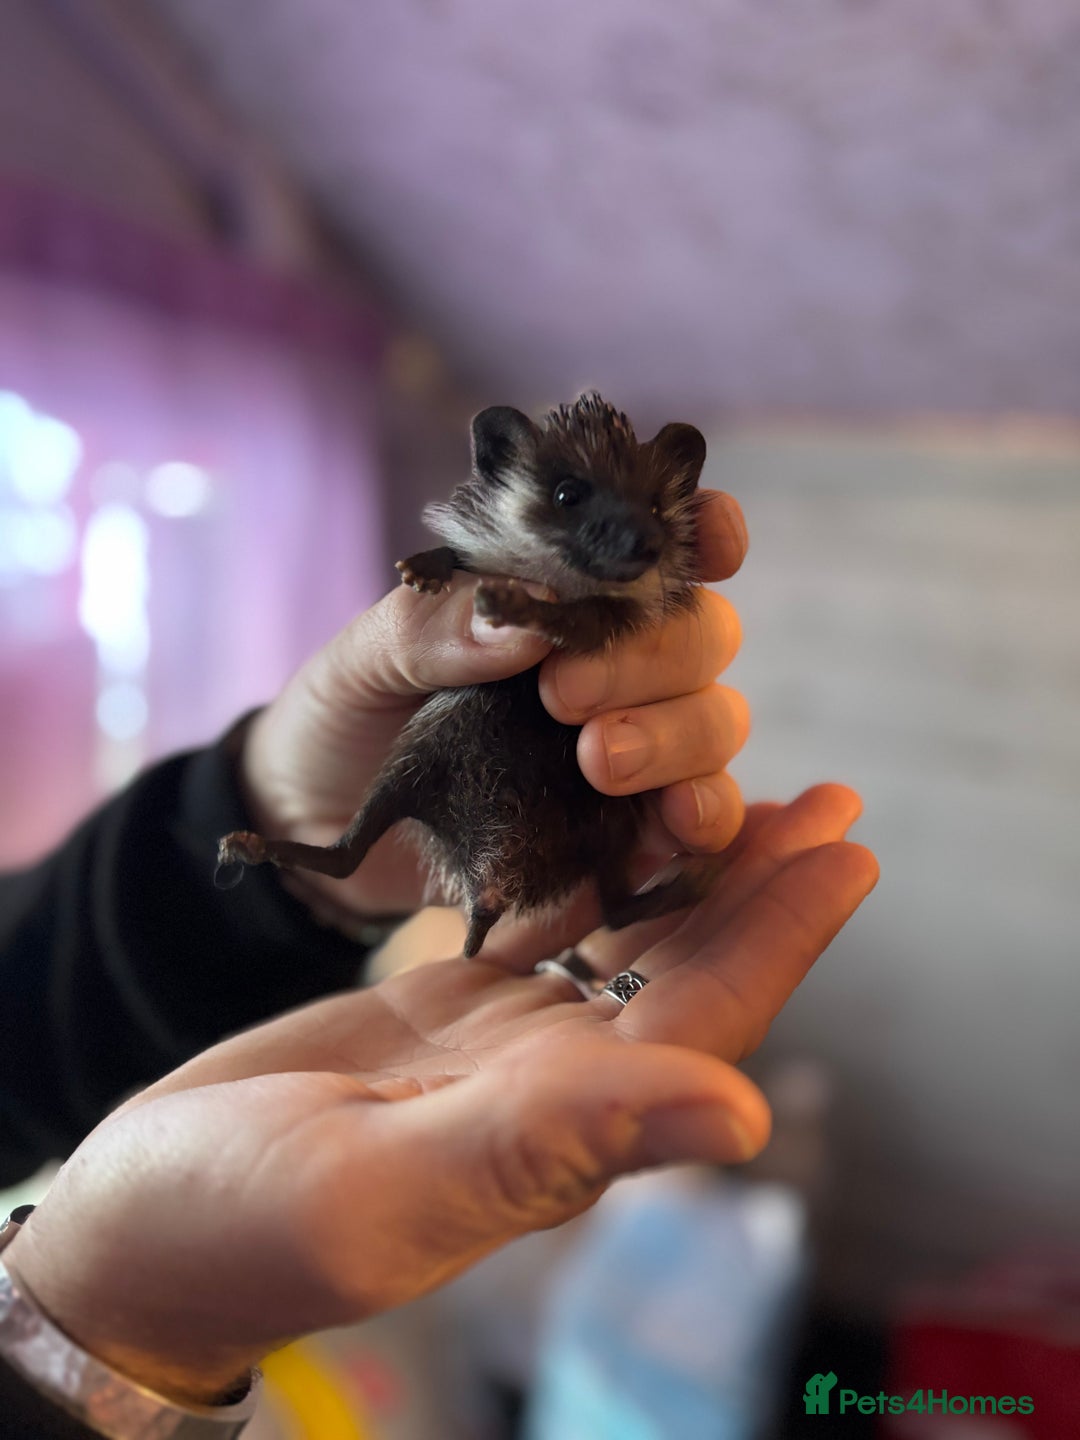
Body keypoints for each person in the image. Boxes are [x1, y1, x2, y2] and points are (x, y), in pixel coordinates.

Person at [0, 491, 878, 1436]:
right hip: (494, 841)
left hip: (509, 843)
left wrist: (268, 821)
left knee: (611, 821)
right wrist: (106, 1321)